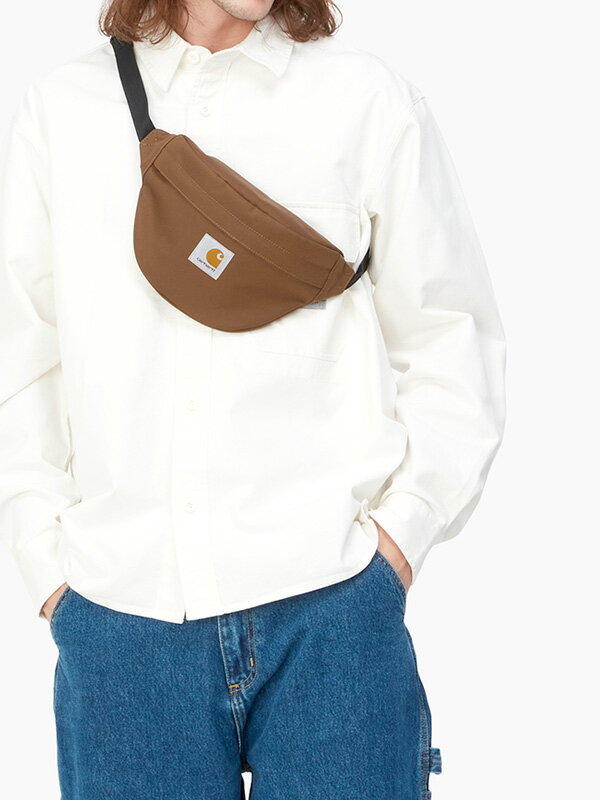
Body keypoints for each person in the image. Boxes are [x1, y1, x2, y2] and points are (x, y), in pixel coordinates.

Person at [0, 0, 506, 797]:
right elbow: (22, 356)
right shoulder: (62, 111)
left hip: (331, 613)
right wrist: (48, 569)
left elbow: (453, 338)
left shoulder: (367, 102)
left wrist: (399, 542)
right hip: (122, 620)